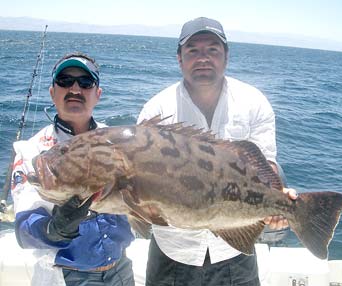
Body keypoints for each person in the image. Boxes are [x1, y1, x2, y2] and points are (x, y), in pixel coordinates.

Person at [137, 17, 297, 286]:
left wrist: (278, 200)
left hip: (235, 247)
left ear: (226, 57)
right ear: (179, 59)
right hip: (173, 250)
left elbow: (265, 168)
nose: (203, 58)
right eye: (193, 50)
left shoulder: (253, 102)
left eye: (212, 50)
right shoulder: (156, 111)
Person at [11, 52, 135, 286]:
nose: (75, 89)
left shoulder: (120, 143)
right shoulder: (33, 152)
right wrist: (55, 228)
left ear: (97, 94)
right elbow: (23, 231)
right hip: (67, 276)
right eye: (65, 81)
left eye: (85, 82)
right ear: (52, 92)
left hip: (121, 271)